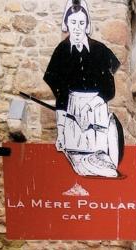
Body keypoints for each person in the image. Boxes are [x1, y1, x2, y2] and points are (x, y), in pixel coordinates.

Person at [43, 0, 122, 177]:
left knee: (100, 158)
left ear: (87, 25)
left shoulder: (100, 51)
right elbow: (61, 96)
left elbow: (109, 89)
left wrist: (91, 105)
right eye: (73, 22)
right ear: (67, 24)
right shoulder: (61, 52)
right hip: (73, 112)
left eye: (81, 23)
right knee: (78, 160)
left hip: (97, 110)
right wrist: (61, 132)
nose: (77, 28)